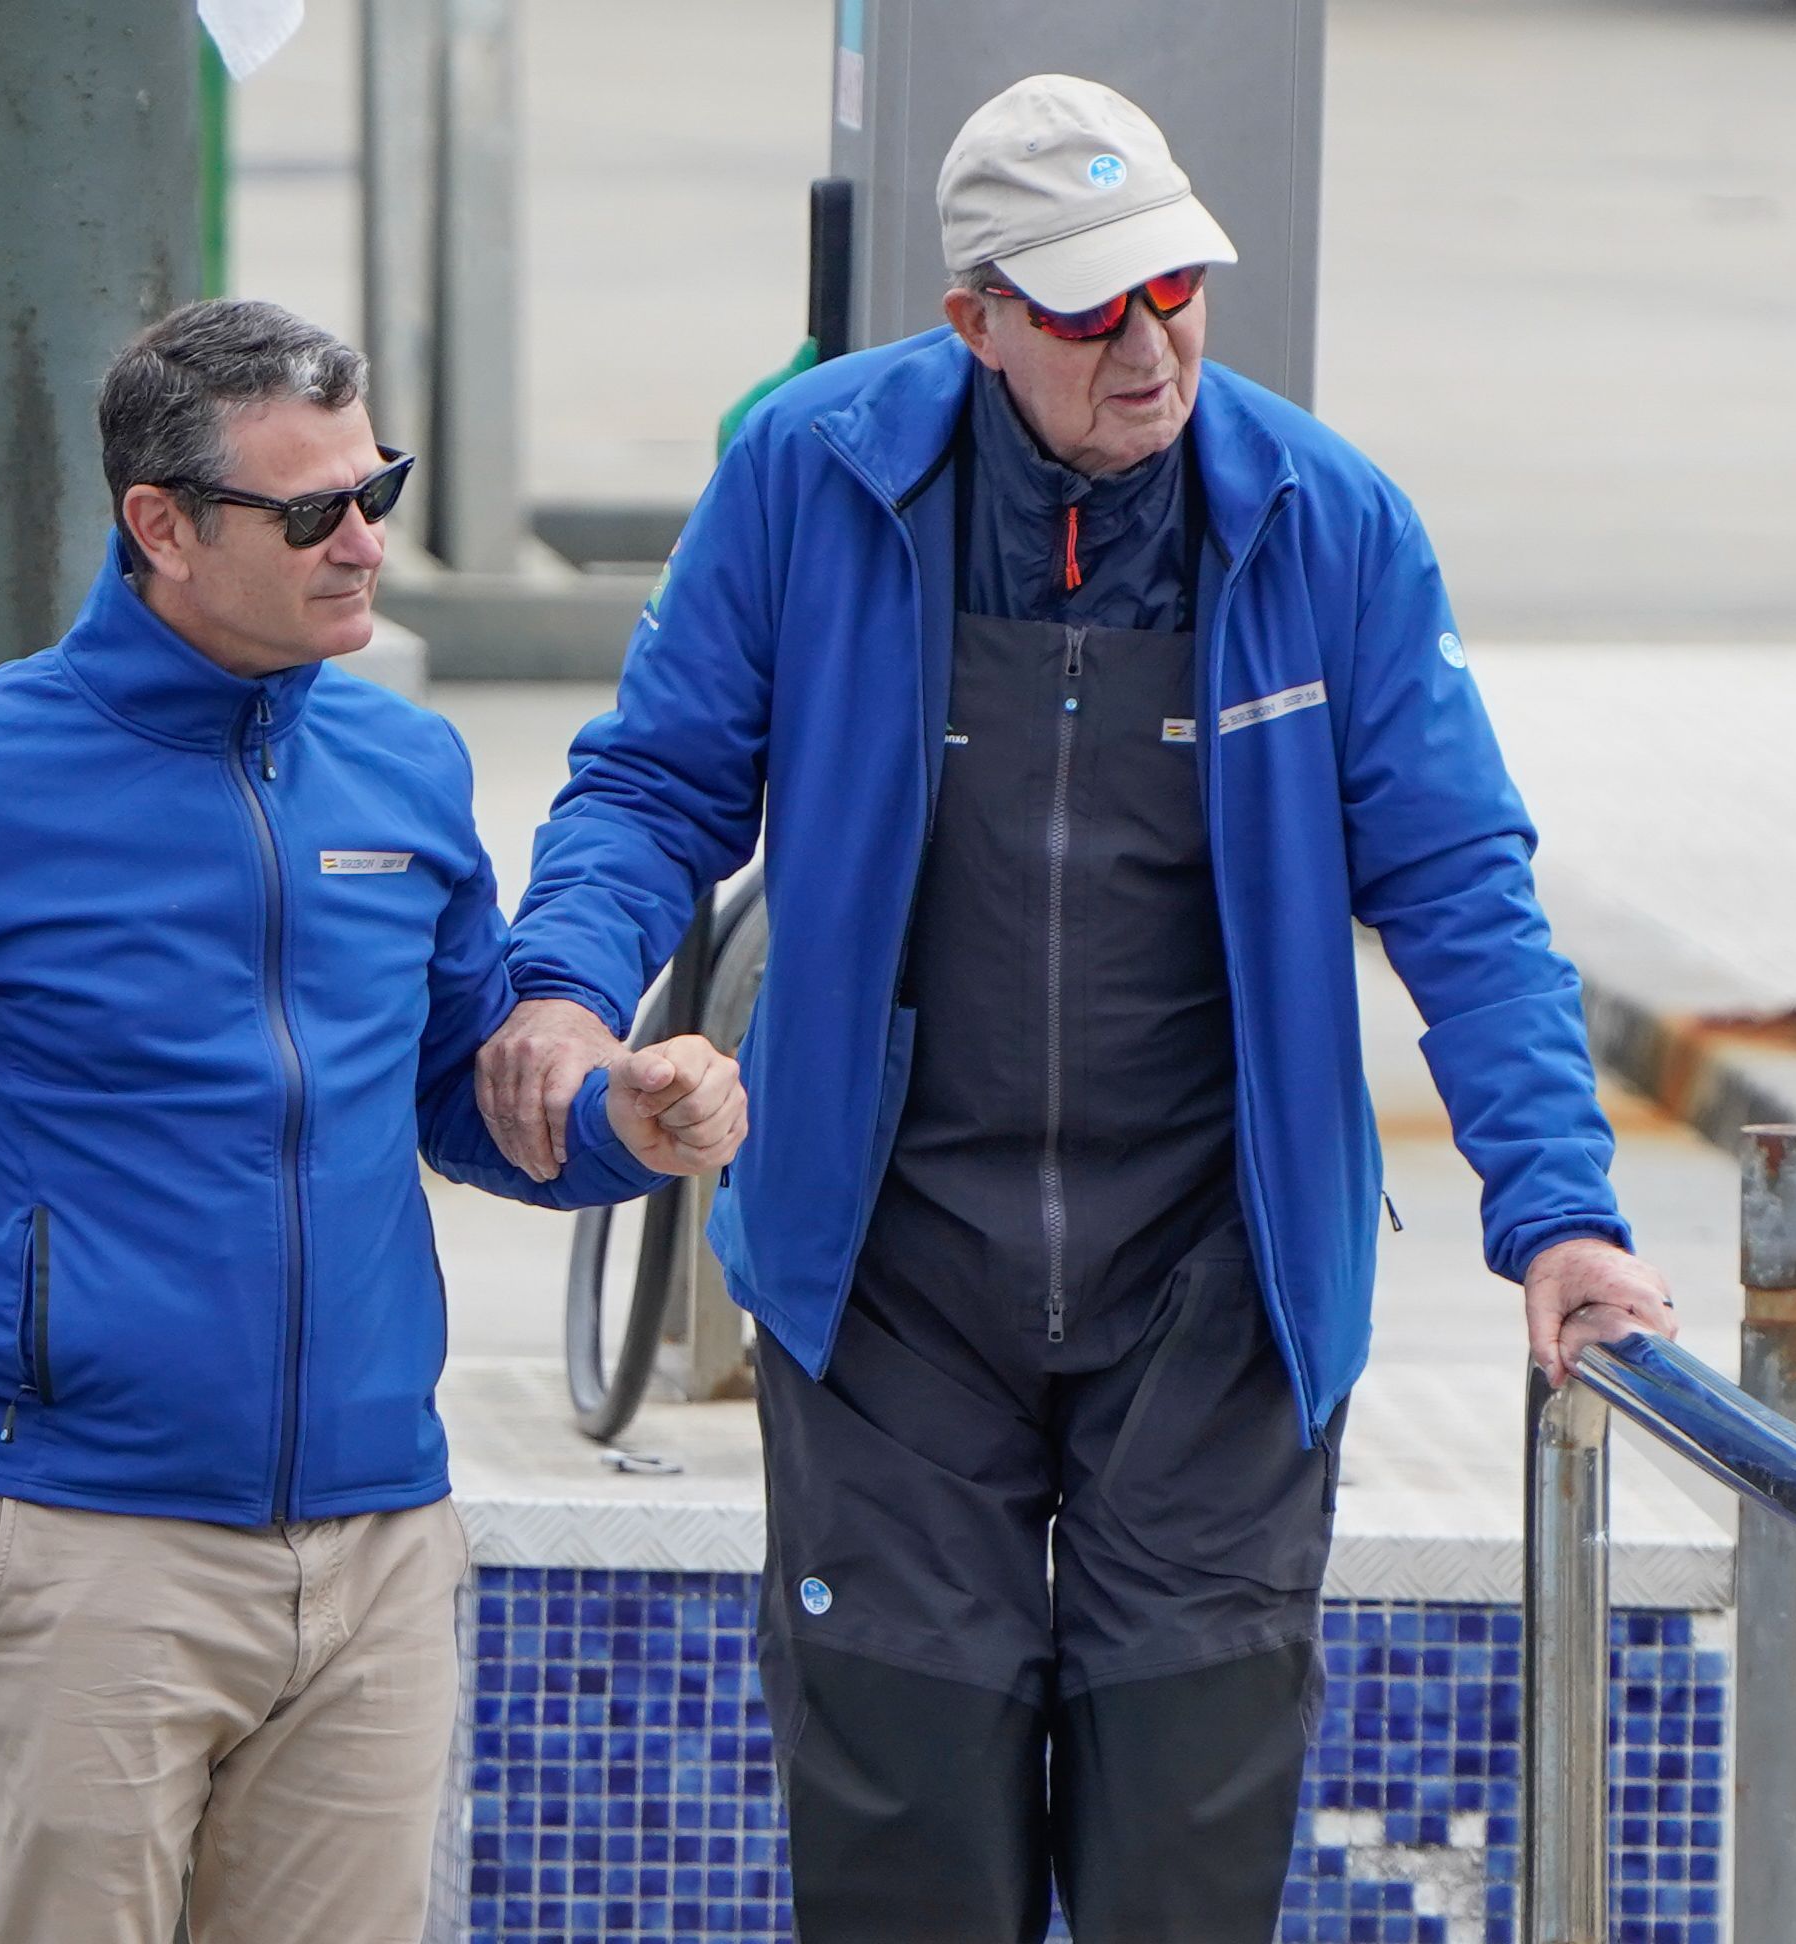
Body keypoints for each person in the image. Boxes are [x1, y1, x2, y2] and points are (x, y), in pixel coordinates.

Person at [475, 74, 1675, 1944]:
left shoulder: (1325, 521)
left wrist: (1563, 1212)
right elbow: (655, 783)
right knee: (906, 1864)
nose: (1152, 342)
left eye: (1177, 286)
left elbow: (1457, 888)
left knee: (1177, 1876)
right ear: (972, 320)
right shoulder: (813, 474)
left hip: (1213, 1289)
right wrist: (561, 987)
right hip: (890, 1285)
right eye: (1092, 306)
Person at [0, 299, 749, 1944]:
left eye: (378, 489)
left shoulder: (405, 768)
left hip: (376, 1546)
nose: (363, 541)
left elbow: (457, 1095)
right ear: (160, 526)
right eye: (311, 513)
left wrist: (618, 1127)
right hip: (87, 1555)